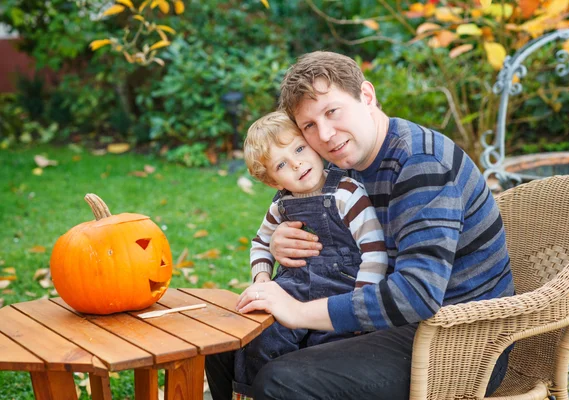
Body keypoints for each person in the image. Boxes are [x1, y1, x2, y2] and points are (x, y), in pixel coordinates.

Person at [207, 51, 515, 400]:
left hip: (456, 341)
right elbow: (340, 239)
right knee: (228, 349)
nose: (324, 134)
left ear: (366, 96)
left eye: (332, 112)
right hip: (388, 319)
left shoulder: (420, 164)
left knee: (281, 382)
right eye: (309, 125)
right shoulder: (343, 165)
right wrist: (280, 241)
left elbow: (417, 294)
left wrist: (298, 313)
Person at [232, 110, 388, 398]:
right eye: (282, 164)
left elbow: (374, 250)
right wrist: (262, 278)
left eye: (300, 148)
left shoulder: (347, 193)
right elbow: (261, 242)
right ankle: (254, 392)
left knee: (326, 346)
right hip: (295, 288)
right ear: (273, 182)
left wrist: (361, 301)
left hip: (341, 289)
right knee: (262, 336)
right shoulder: (281, 205)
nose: (297, 163)